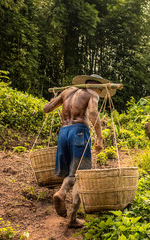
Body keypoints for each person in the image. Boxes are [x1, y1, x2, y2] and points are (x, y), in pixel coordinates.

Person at [43, 74, 115, 228]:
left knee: (72, 172)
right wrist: (100, 138)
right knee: (81, 174)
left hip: (63, 133)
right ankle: (65, 202)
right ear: (97, 87)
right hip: (79, 132)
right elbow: (94, 113)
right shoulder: (92, 93)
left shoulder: (67, 92)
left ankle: (68, 205)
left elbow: (47, 109)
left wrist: (53, 101)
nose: (100, 94)